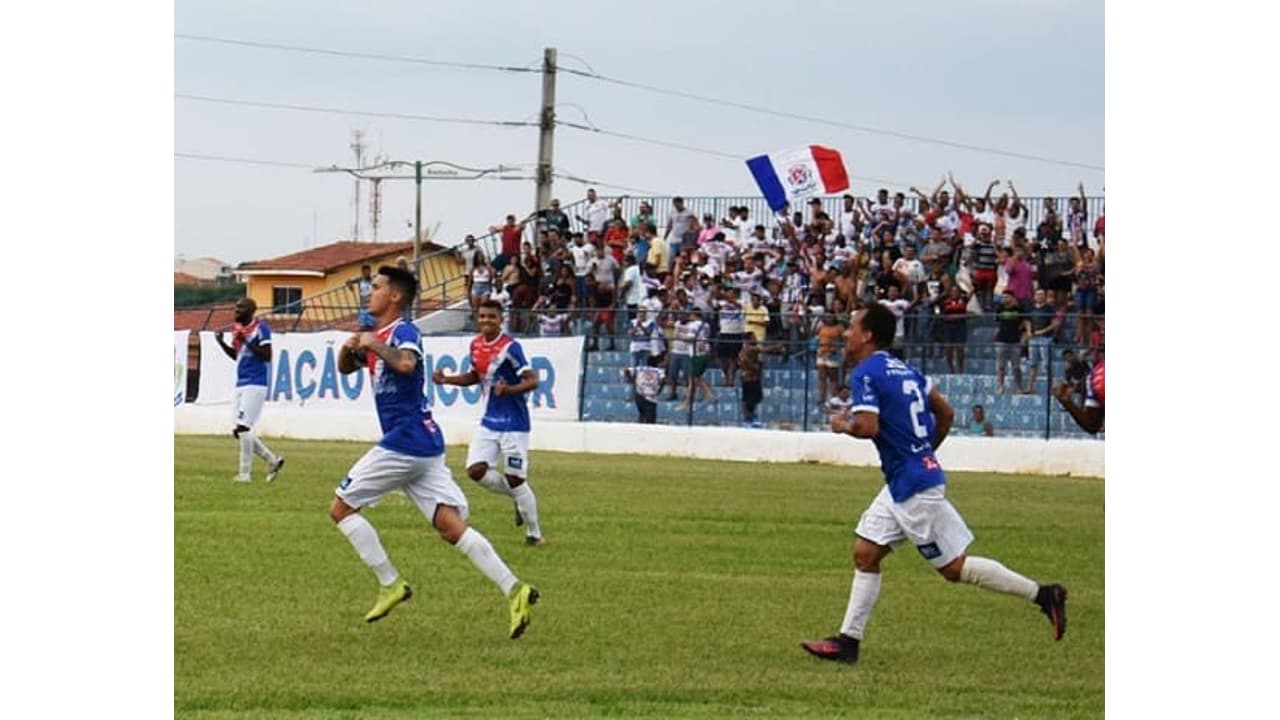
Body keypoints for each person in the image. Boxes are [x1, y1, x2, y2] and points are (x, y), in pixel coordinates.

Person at [801, 303, 1068, 664]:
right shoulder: (905, 369)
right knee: (866, 553)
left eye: (852, 327)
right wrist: (923, 451)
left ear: (867, 335)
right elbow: (946, 411)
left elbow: (867, 427)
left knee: (953, 569)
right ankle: (848, 642)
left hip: (912, 485)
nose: (847, 333)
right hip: (908, 478)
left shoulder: (866, 372)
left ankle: (1043, 595)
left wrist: (842, 424)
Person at [329, 267, 538, 637]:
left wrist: (372, 343)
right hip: (423, 445)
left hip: (406, 440)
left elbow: (407, 364)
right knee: (450, 526)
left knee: (341, 507)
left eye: (376, 288)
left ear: (395, 296)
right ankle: (515, 590)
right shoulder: (379, 337)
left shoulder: (403, 332)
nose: (369, 293)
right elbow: (347, 369)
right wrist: (350, 347)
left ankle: (390, 582)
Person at [433, 300, 547, 546]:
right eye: (482, 316)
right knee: (475, 470)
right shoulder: (475, 345)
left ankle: (535, 534)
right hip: (489, 421)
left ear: (500, 319)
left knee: (516, 478)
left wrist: (510, 389)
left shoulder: (510, 347)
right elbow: (476, 376)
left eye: (491, 317)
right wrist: (447, 380)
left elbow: (533, 379)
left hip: (514, 424)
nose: (486, 321)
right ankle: (517, 497)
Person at [214, 297, 284, 483]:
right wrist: (221, 343)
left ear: (252, 311)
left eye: (241, 308)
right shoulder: (236, 329)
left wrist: (246, 340)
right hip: (241, 382)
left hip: (256, 383)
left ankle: (245, 474)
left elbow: (267, 356)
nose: (236, 310)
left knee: (244, 427)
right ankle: (272, 460)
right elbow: (237, 356)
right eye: (236, 307)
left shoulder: (261, 329)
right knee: (238, 431)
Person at [1053, 349, 1104, 434]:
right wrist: (1067, 402)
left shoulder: (1093, 376)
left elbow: (1092, 426)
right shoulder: (1095, 378)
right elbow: (1092, 425)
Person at [623, 355, 666, 424]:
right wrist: (659, 390)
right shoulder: (659, 371)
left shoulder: (640, 369)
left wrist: (632, 380)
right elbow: (663, 380)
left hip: (639, 394)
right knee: (650, 420)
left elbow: (625, 370)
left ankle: (639, 427)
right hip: (651, 396)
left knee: (642, 413)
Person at [738, 333, 764, 427]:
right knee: (748, 398)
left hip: (755, 377)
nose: (756, 339)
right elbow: (743, 361)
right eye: (754, 338)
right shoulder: (747, 349)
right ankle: (747, 418)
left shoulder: (754, 350)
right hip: (748, 377)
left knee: (757, 397)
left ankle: (752, 415)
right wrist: (753, 367)